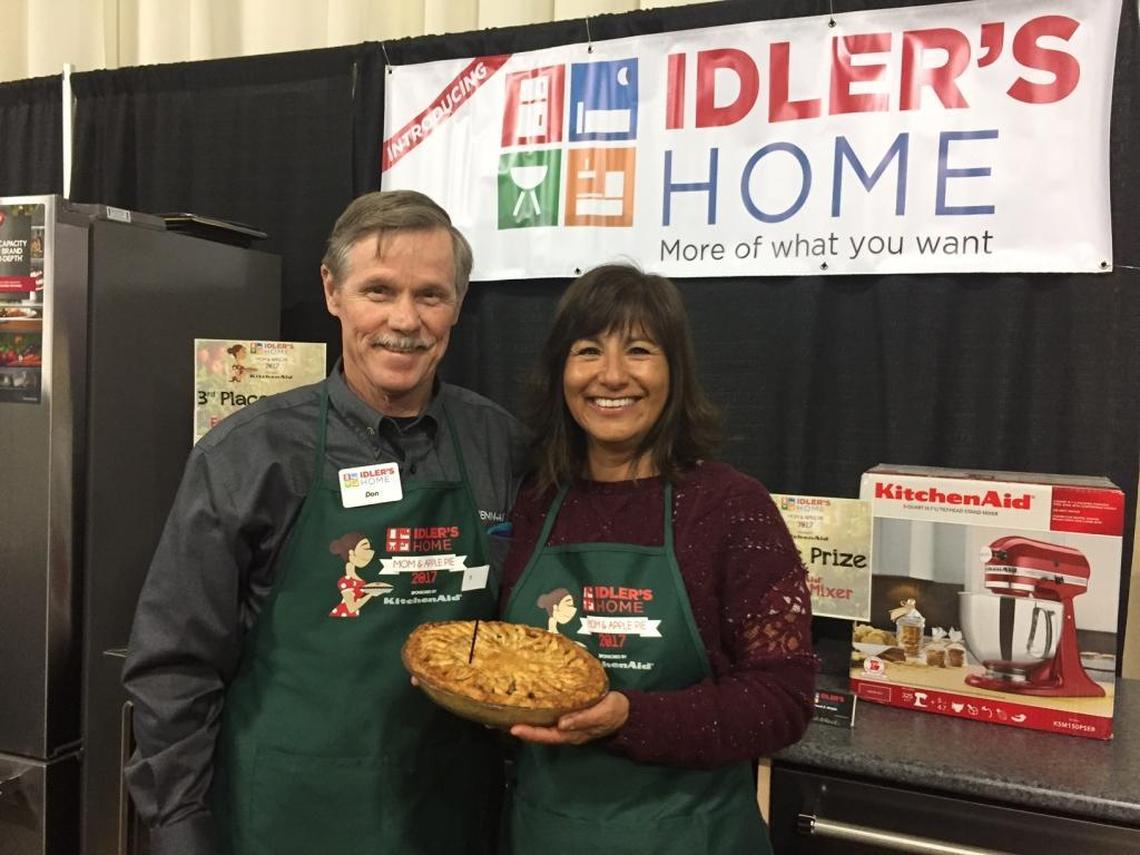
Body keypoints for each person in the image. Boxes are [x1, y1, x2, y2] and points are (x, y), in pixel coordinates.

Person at [124, 190, 527, 855]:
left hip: (451, 819)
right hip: (282, 817)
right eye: (379, 290)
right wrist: (179, 828)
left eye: (430, 295)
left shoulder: (500, 446)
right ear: (332, 290)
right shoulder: (250, 453)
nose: (405, 319)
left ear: (458, 304)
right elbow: (174, 663)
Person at [500, 264, 815, 854]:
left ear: (674, 372)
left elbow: (784, 701)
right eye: (588, 350)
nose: (612, 375)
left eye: (639, 350)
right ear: (561, 371)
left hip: (692, 835)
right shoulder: (533, 503)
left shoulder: (730, 508)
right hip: (546, 832)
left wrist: (627, 717)